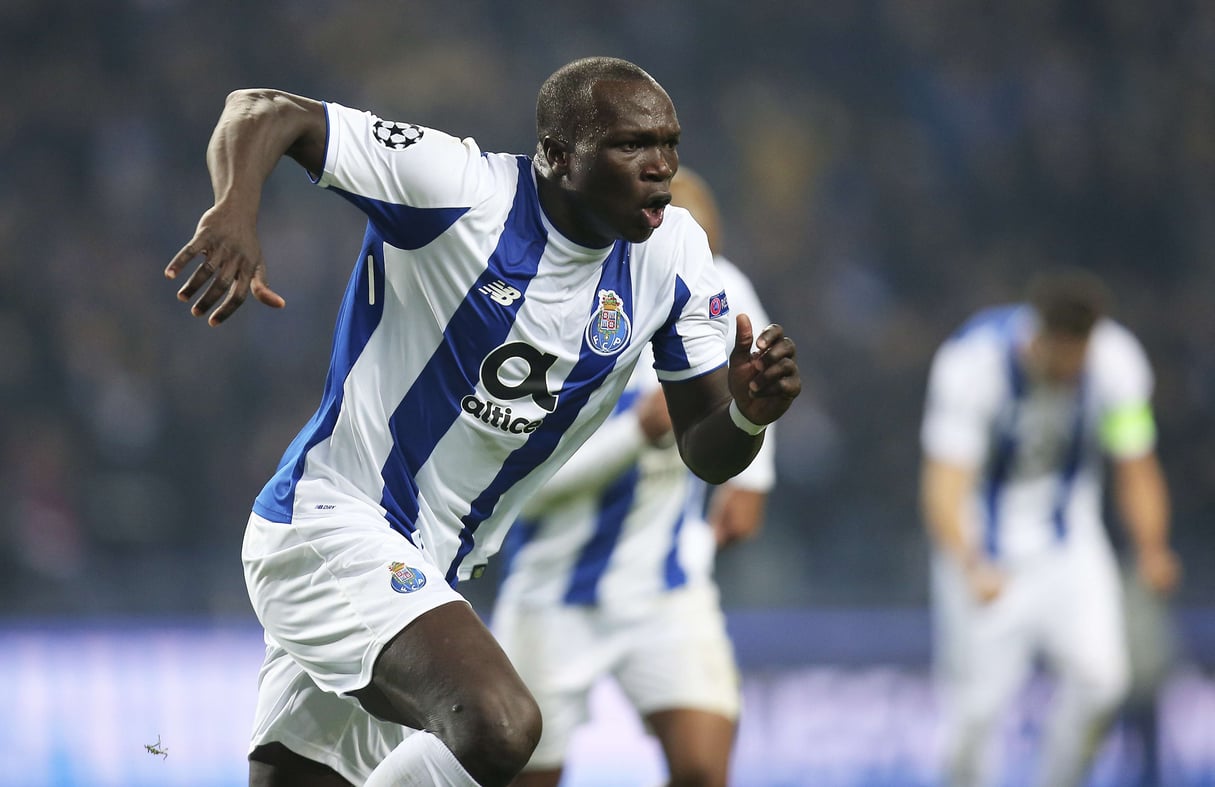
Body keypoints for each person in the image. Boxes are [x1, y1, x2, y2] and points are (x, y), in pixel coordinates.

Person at [164, 57, 800, 787]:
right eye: (631, 145)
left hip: (427, 570)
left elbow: (704, 448)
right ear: (557, 157)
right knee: (499, 724)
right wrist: (234, 211)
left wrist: (748, 416)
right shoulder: (456, 187)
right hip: (327, 524)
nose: (660, 167)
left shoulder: (676, 255)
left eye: (669, 144)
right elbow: (262, 107)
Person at [490, 167, 775, 787]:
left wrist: (752, 477)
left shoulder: (716, 291)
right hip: (551, 593)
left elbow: (752, 375)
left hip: (664, 589)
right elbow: (520, 490)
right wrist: (634, 436)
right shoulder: (549, 304)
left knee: (702, 768)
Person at [919, 270, 1180, 787]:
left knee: (1104, 682)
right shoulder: (973, 363)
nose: (1072, 369)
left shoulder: (1115, 363)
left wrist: (1152, 547)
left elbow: (1136, 464)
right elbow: (945, 484)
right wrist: (972, 564)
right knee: (974, 714)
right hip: (984, 551)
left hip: (1069, 548)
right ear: (1039, 339)